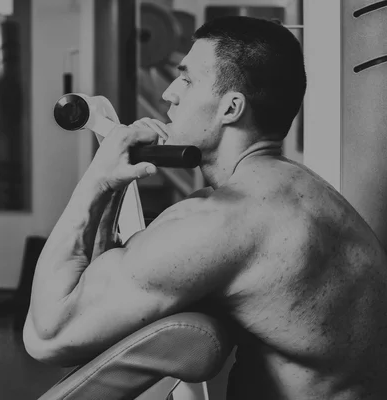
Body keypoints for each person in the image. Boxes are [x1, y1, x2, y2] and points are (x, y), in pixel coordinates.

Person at [23, 15, 387, 399]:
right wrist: (113, 188)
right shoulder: (309, 194)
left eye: (188, 80)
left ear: (230, 108)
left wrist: (96, 180)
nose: (169, 94)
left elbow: (47, 334)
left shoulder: (220, 221)